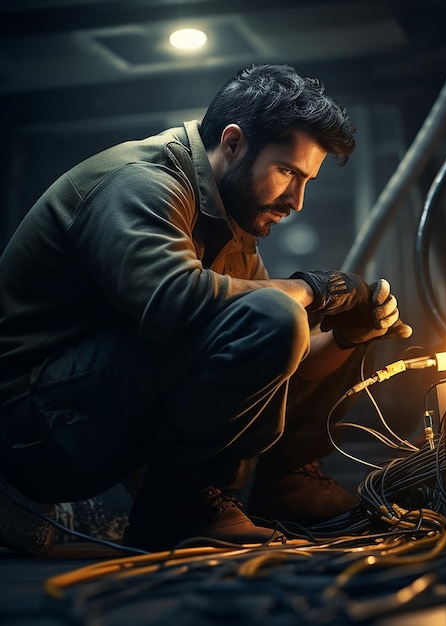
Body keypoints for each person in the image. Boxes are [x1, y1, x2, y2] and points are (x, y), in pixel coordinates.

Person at [0, 63, 412, 555]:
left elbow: (276, 359)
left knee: (289, 324)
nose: (297, 200)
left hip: (85, 409)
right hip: (31, 426)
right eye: (287, 171)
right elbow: (172, 304)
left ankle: (287, 485)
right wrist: (312, 289)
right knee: (276, 314)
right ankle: (178, 508)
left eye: (307, 181)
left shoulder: (230, 218)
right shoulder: (143, 183)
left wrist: (348, 336)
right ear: (233, 143)